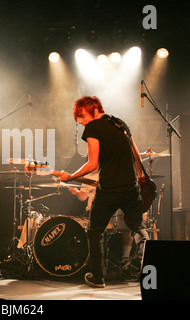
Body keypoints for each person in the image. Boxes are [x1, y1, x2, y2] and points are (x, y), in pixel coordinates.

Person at [60, 96, 149, 288]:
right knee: (138, 228)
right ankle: (152, 271)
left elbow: (92, 164)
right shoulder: (120, 123)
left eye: (82, 116)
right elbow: (137, 156)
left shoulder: (93, 127)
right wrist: (141, 181)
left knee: (95, 231)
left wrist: (70, 177)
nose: (81, 121)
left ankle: (98, 278)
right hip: (131, 186)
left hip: (109, 189)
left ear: (92, 109)